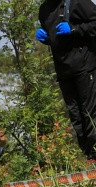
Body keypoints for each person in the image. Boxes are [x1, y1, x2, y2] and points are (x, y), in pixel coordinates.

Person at [36, 0, 96, 162]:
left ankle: (95, 153)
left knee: (90, 113)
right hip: (64, 71)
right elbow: (55, 38)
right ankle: (88, 156)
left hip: (85, 67)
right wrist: (46, 38)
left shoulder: (77, 2)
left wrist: (74, 29)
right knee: (76, 116)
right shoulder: (44, 10)